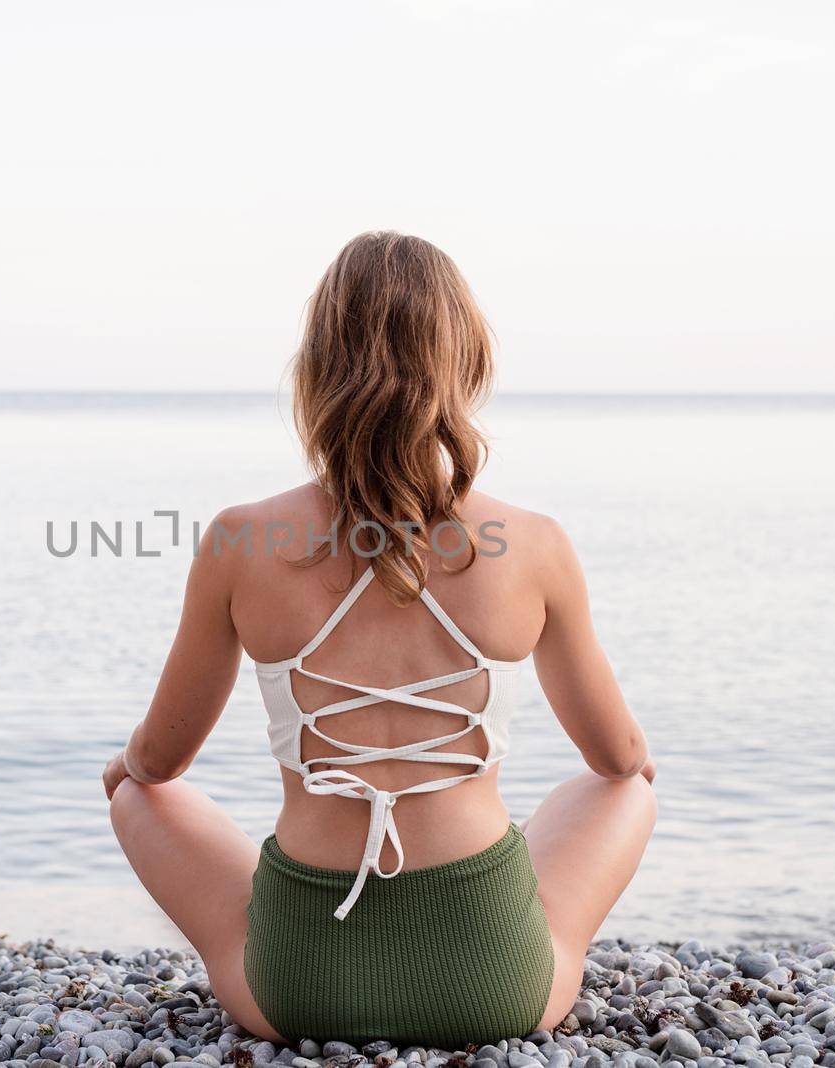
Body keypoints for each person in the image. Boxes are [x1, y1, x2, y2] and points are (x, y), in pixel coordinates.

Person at [104, 231, 656, 1048]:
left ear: (317, 369)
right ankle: (497, 926)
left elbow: (162, 762)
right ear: (464, 363)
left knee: (141, 794)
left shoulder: (240, 540)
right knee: (626, 789)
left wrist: (129, 769)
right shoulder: (531, 541)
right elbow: (619, 760)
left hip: (299, 987)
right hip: (490, 981)